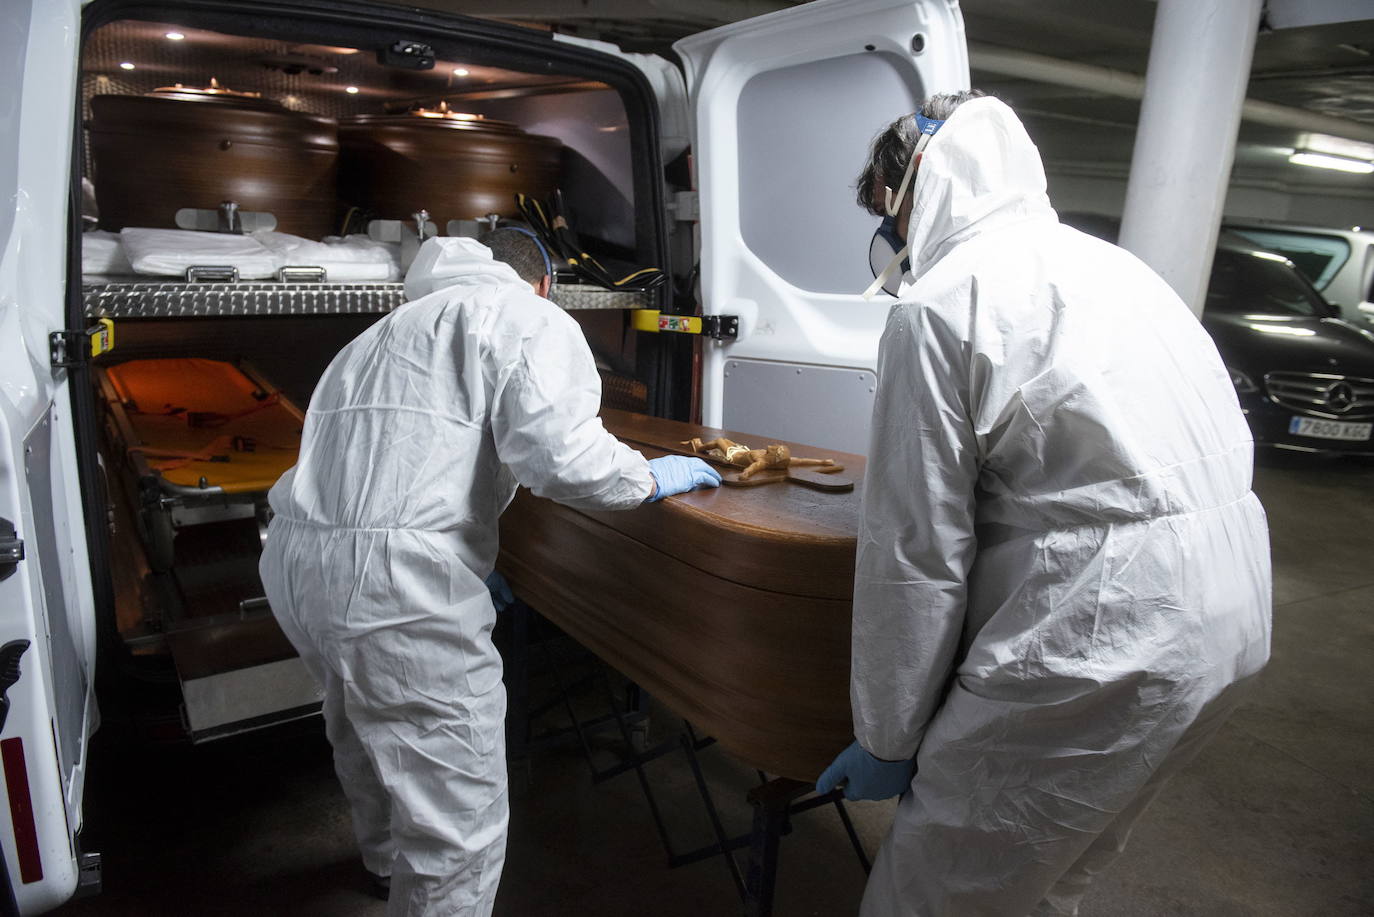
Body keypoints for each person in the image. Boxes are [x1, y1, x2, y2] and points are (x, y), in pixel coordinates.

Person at [816, 92, 1272, 916]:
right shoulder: (1115, 267)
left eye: (887, 211)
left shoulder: (940, 304)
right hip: (1232, 611)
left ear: (919, 188)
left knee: (931, 891)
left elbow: (916, 552)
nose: (891, 240)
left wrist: (888, 733)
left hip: (1105, 627)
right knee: (1053, 870)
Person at [258, 229, 720, 916]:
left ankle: (384, 861)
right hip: (397, 585)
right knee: (460, 819)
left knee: (361, 725)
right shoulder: (525, 316)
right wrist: (646, 477)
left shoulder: (382, 333)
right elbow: (562, 459)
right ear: (543, 282)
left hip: (297, 558)